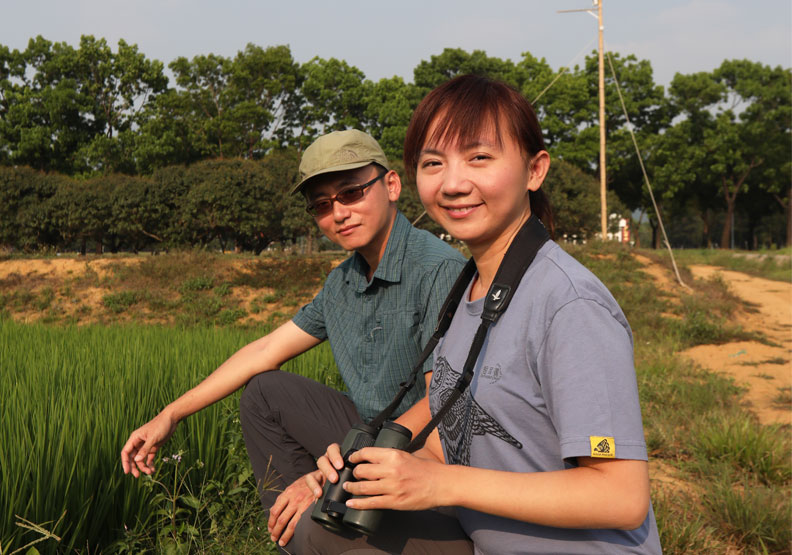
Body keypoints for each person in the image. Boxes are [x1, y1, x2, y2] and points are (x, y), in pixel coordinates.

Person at [291, 75, 662, 554]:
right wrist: (366, 467)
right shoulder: (469, 290)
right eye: (433, 163)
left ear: (535, 170)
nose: (453, 183)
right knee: (321, 529)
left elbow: (621, 496)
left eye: (479, 157)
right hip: (482, 537)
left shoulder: (569, 306)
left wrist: (442, 484)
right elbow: (464, 432)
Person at [120, 129, 466, 550]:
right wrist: (171, 415)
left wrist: (331, 474)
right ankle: (300, 527)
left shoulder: (438, 270)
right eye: (322, 205)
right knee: (266, 392)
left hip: (430, 461)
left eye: (352, 193)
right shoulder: (343, 281)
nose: (339, 213)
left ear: (391, 185)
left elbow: (440, 406)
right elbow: (266, 350)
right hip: (371, 436)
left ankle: (321, 530)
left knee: (319, 527)